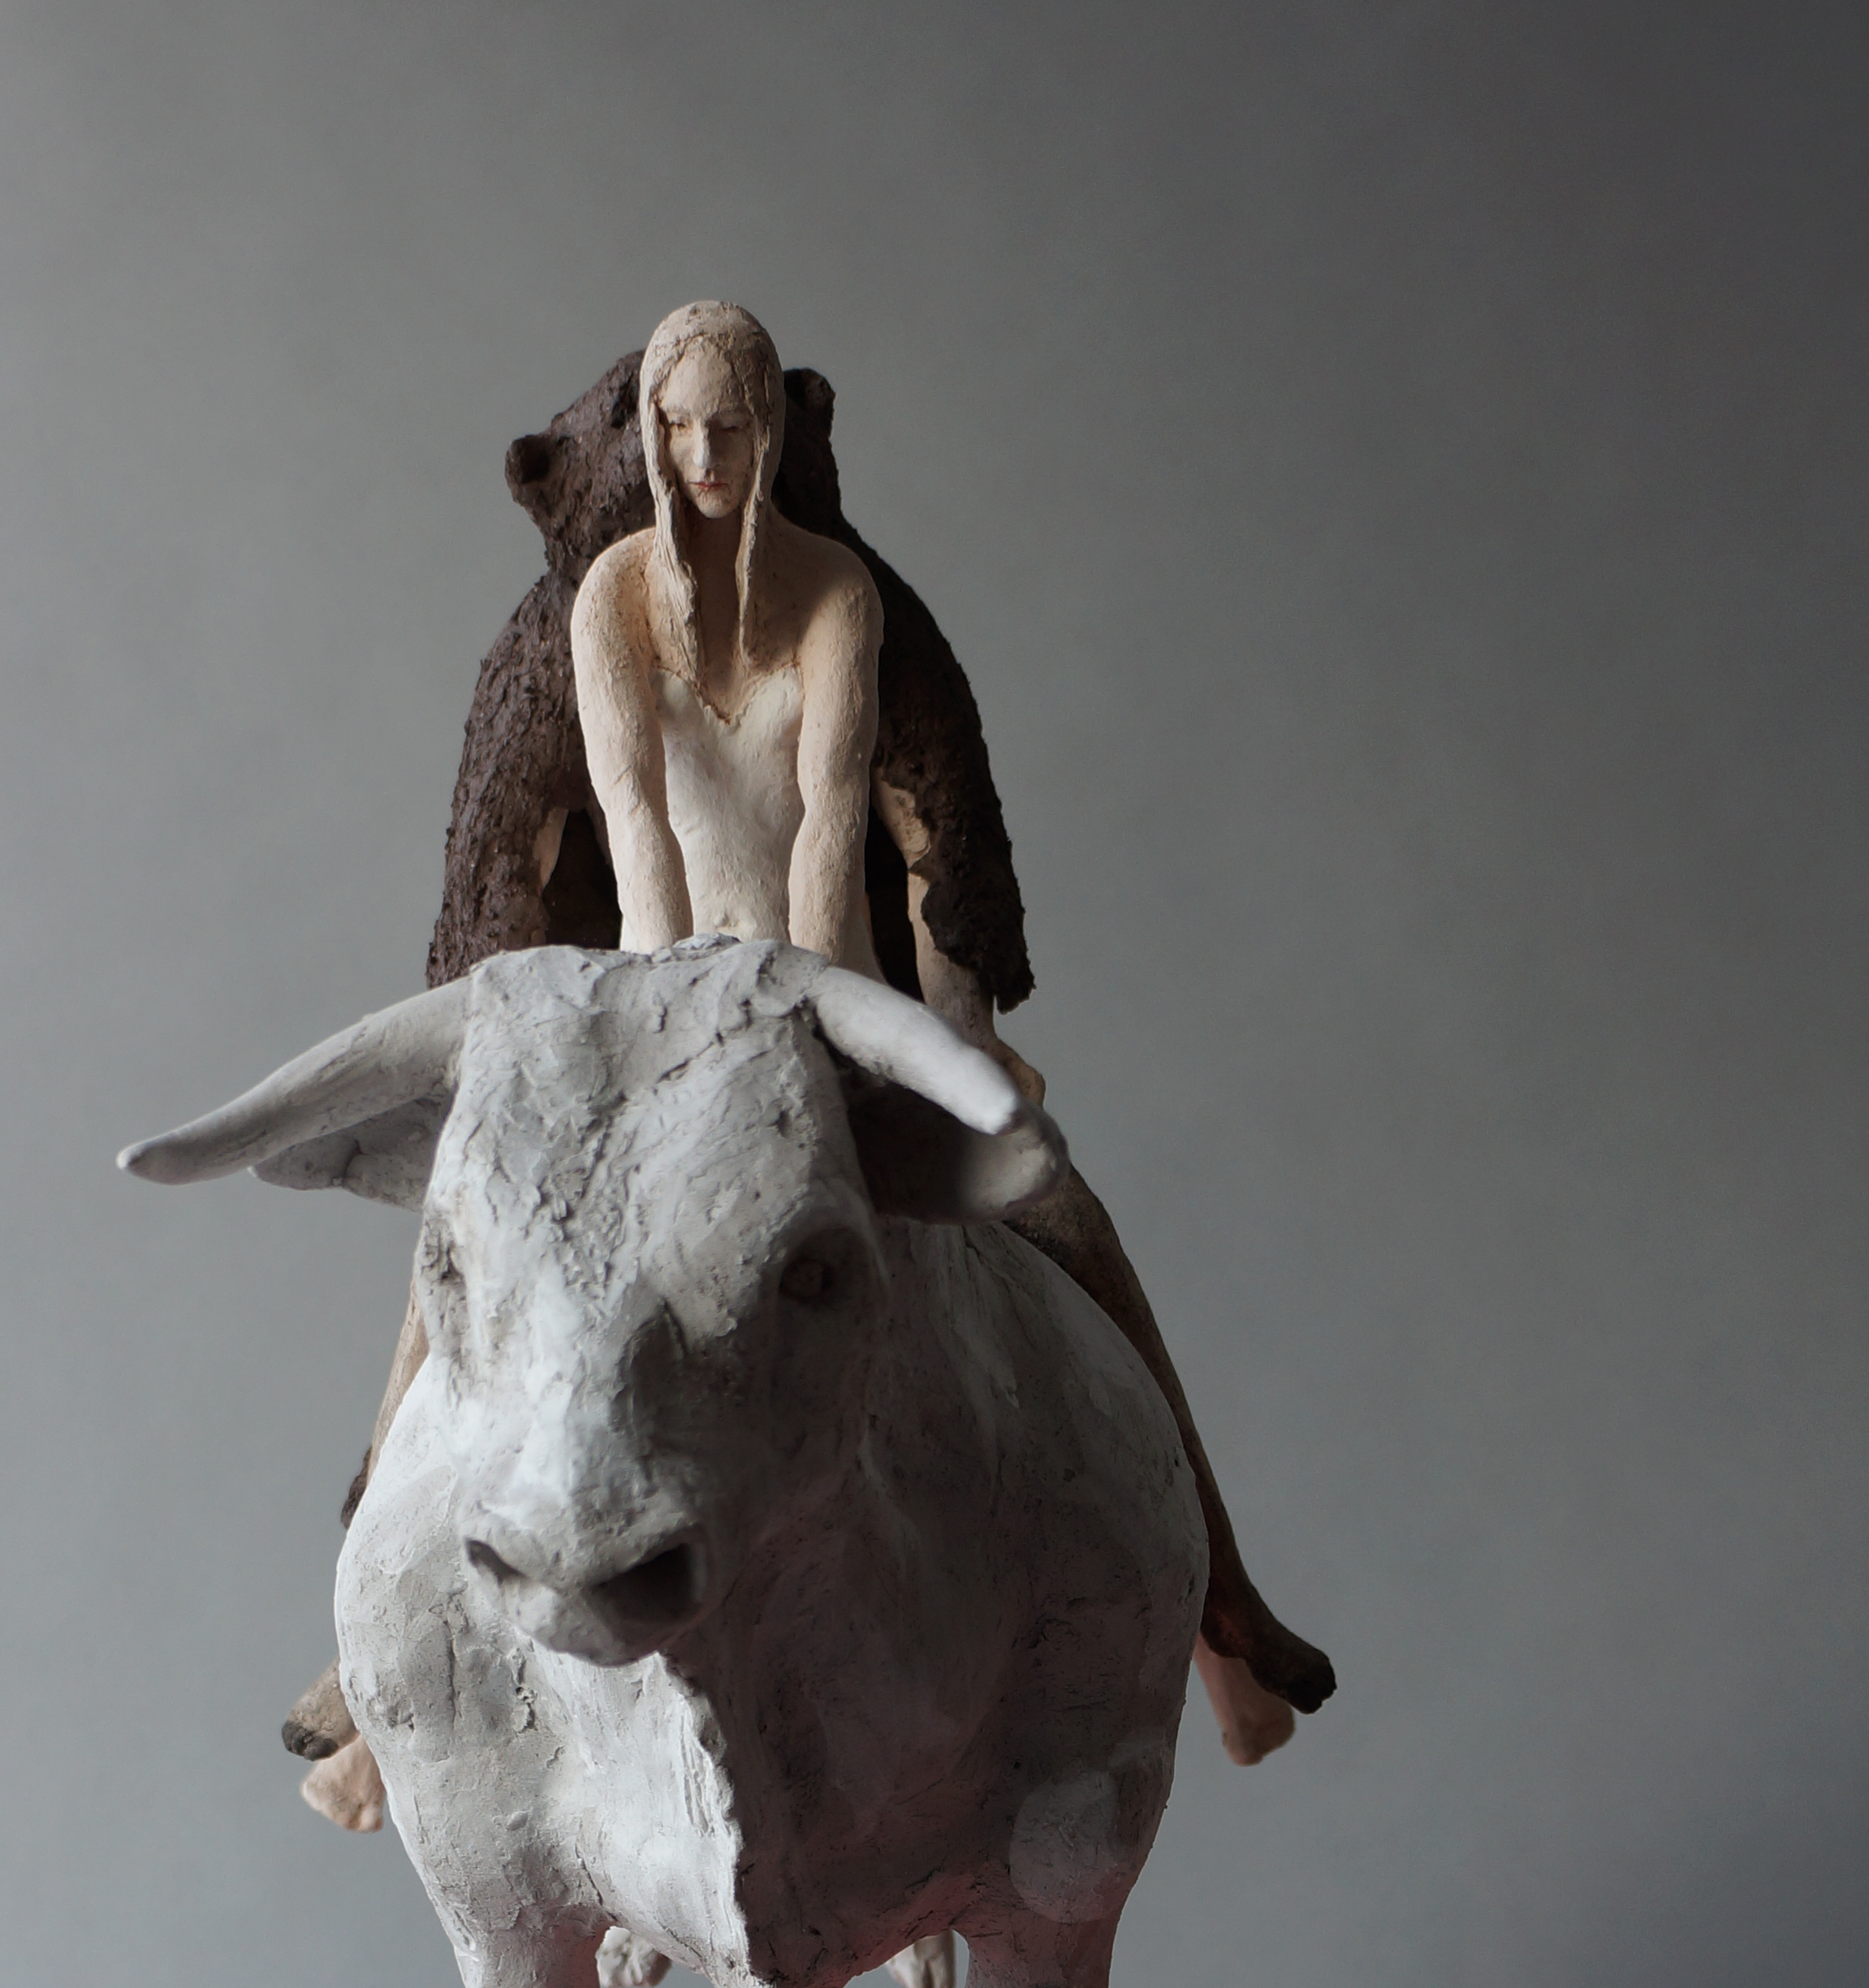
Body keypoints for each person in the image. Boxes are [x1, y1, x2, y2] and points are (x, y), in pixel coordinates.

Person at [293, 302, 1332, 1828]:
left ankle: (1220, 1612)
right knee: (455, 1283)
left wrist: (923, 1035)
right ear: (651, 441)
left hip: (827, 995)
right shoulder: (598, 610)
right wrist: (629, 1063)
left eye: (734, 426)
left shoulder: (847, 600)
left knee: (1060, 1221)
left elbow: (863, 831)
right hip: (644, 1016)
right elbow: (618, 846)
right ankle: (379, 1675)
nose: (708, 458)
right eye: (680, 430)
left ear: (776, 429)